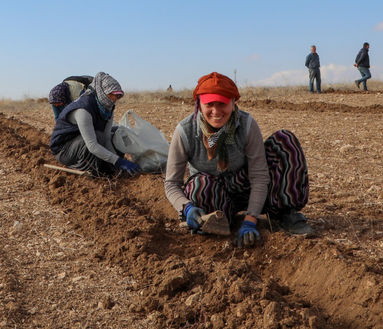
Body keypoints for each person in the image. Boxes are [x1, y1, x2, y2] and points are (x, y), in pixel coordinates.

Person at [164, 72, 314, 248]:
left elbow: (259, 176)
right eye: (209, 104)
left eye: (222, 104)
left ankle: (285, 213)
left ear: (233, 102)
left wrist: (251, 220)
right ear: (199, 104)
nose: (216, 110)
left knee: (285, 141)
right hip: (214, 193)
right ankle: (216, 221)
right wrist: (187, 208)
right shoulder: (185, 132)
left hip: (246, 184)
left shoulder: (247, 125)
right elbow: (172, 183)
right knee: (199, 186)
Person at [50, 72, 142, 177]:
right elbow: (92, 145)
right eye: (112, 95)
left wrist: (115, 160)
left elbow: (107, 138)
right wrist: (118, 161)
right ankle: (85, 169)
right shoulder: (83, 110)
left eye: (118, 96)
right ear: (102, 92)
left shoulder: (107, 109)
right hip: (64, 150)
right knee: (98, 136)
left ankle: (105, 167)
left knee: (117, 132)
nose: (115, 99)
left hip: (80, 140)